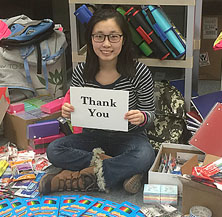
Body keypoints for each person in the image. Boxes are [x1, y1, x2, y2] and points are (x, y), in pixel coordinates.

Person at [40, 8, 156, 195]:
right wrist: (68, 111)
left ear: (124, 39)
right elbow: (76, 116)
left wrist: (141, 117)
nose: (106, 44)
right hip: (93, 138)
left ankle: (79, 177)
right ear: (91, 39)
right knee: (54, 149)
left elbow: (150, 114)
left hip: (129, 138)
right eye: (99, 37)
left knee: (145, 155)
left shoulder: (139, 72)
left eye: (114, 37)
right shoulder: (81, 71)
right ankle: (122, 170)